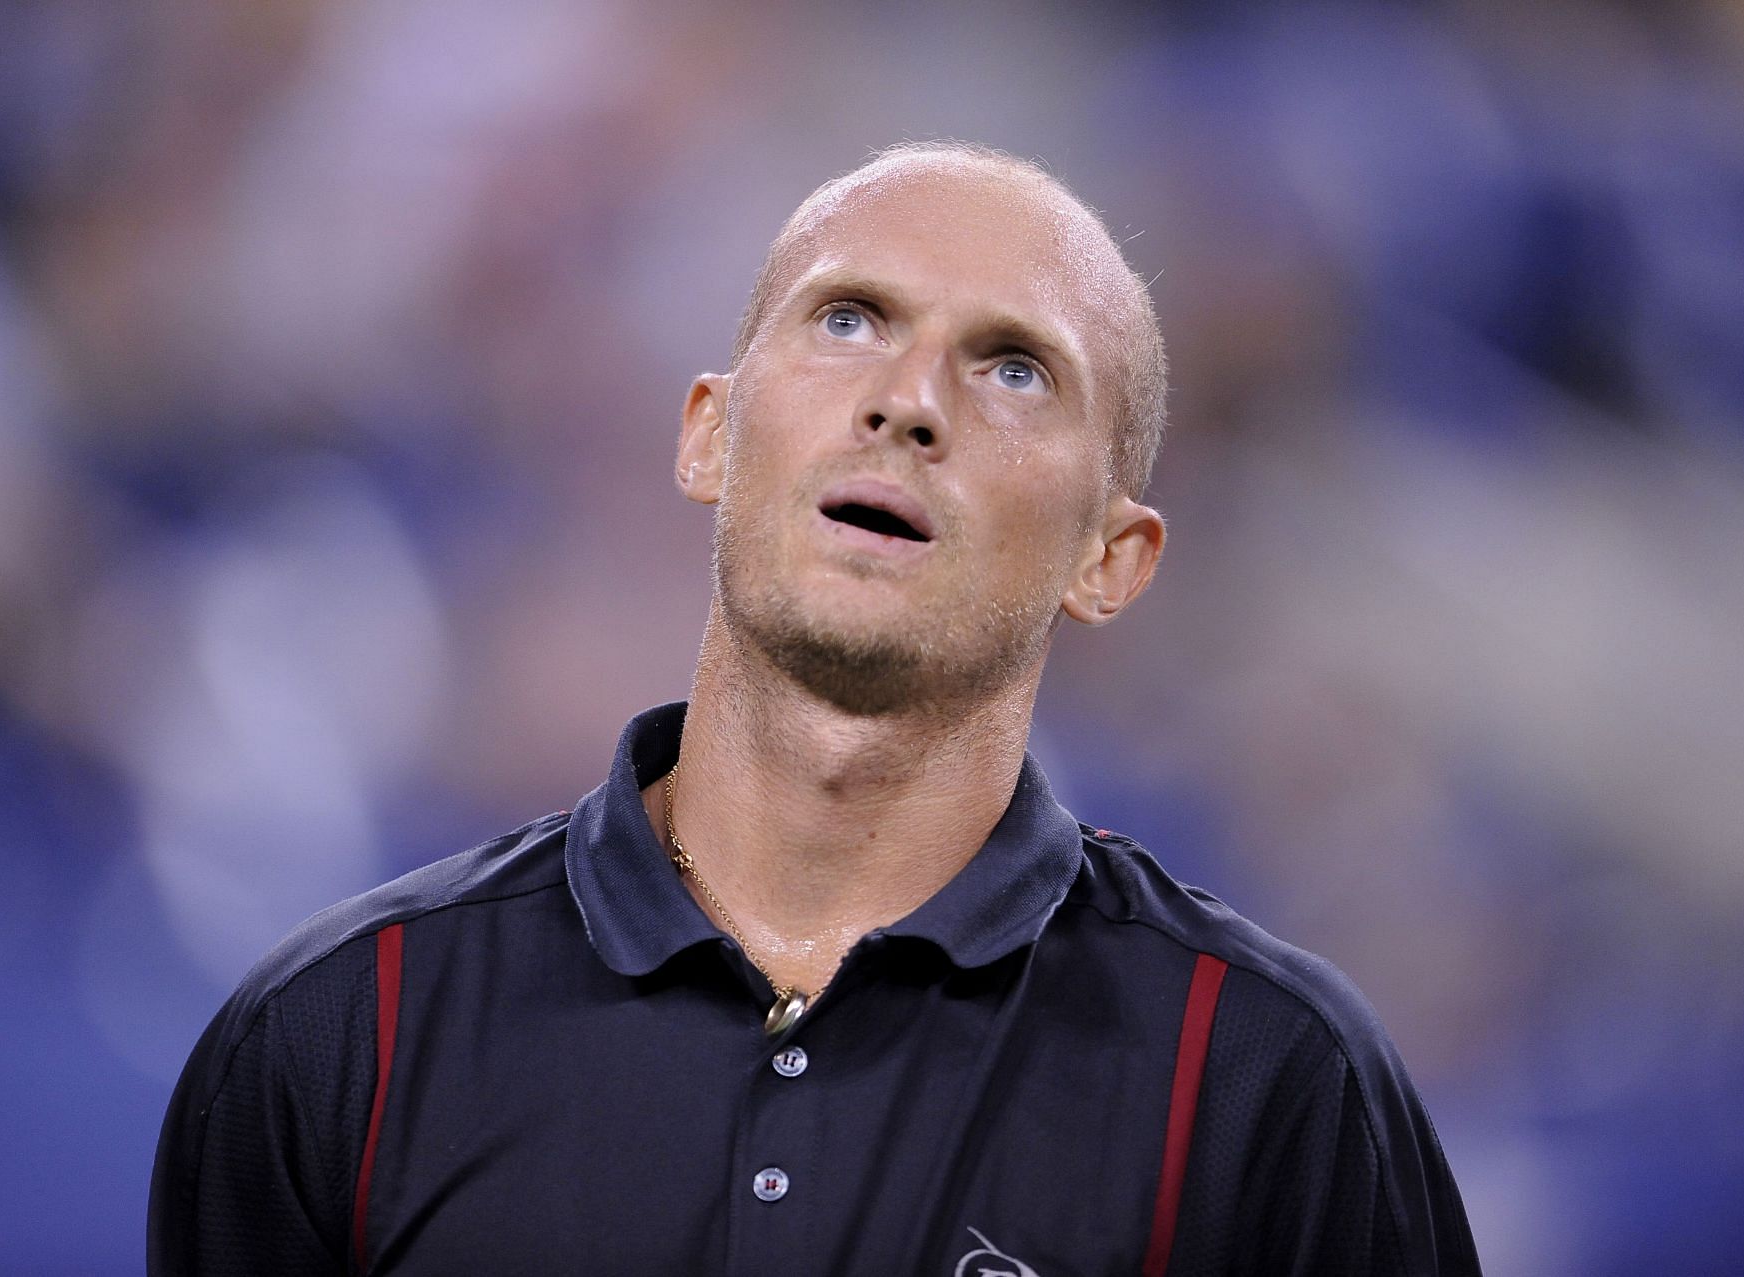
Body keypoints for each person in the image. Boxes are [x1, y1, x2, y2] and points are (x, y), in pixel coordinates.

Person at [149, 141, 1480, 1276]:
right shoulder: (339, 1036)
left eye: (1016, 366)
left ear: (1110, 559)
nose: (908, 401)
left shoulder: (1273, 1086)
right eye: (847, 320)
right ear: (709, 436)